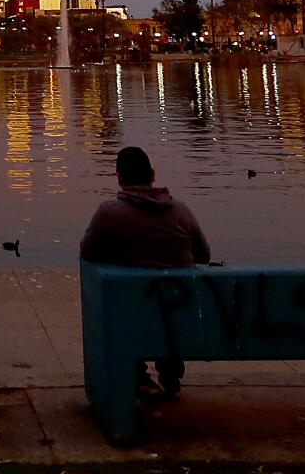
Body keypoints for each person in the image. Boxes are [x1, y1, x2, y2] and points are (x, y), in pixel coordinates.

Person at [79, 145, 210, 399]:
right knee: (163, 303)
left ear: (119, 178)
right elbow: (204, 255)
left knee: (126, 299)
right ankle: (169, 368)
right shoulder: (181, 211)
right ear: (153, 174)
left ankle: (138, 373)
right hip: (181, 314)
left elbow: (87, 252)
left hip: (132, 314)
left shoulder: (110, 213)